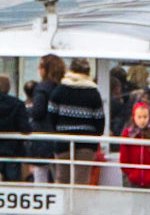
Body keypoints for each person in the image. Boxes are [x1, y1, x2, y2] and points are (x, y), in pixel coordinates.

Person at [45, 56, 106, 184]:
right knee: (81, 180)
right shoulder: (93, 92)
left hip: (63, 140)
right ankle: (80, 204)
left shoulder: (59, 90)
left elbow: (51, 115)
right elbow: (100, 120)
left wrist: (59, 131)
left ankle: (63, 204)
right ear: (88, 73)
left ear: (70, 70)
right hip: (86, 142)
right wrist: (95, 136)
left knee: (62, 178)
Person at [28, 52, 68, 180]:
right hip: (60, 135)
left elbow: (38, 113)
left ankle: (41, 198)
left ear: (44, 70)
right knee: (60, 175)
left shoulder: (42, 88)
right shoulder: (63, 87)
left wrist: (27, 111)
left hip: (43, 136)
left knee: (41, 174)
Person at [119, 98, 150, 189]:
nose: (142, 120)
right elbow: (124, 157)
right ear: (134, 117)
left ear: (149, 117)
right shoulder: (128, 134)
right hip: (134, 178)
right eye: (139, 117)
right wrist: (131, 173)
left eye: (145, 117)